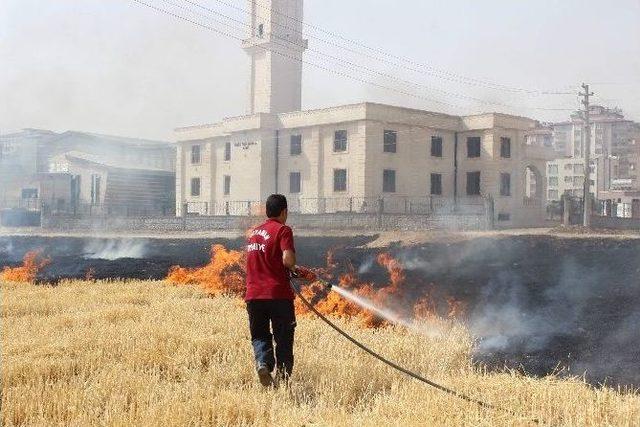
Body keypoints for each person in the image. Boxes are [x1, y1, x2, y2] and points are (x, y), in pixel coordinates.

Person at [245, 194, 316, 386]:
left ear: (267, 211)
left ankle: (263, 364)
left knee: (259, 335)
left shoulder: (254, 234)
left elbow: (264, 264)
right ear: (284, 211)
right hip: (278, 296)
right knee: (283, 340)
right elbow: (287, 261)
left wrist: (293, 272)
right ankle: (283, 382)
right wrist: (297, 269)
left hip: (253, 296)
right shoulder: (283, 230)